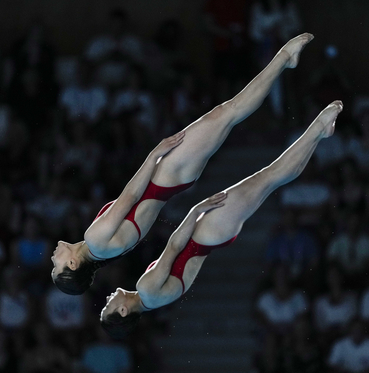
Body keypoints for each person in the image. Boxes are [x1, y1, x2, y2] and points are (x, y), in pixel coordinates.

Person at [51, 33, 315, 295]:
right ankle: (283, 58)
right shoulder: (95, 240)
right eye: (56, 266)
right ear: (73, 264)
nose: (53, 258)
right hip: (166, 175)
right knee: (228, 112)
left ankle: (284, 62)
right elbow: (130, 196)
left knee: (227, 115)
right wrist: (154, 156)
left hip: (171, 180)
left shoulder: (104, 250)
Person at [99, 100, 343, 338]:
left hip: (211, 236)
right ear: (123, 311)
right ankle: (318, 129)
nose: (109, 298)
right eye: (108, 305)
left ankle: (319, 134)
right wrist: (195, 212)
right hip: (207, 231)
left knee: (270, 179)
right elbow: (174, 247)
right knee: (270, 176)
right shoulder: (146, 290)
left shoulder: (152, 299)